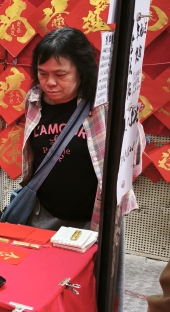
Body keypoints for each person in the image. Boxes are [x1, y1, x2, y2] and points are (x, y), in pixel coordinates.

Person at [21, 27, 144, 231]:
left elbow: (133, 161)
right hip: (42, 215)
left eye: (60, 74)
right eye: (42, 73)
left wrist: (128, 114)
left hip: (94, 220)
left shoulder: (105, 105)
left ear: (81, 70)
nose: (50, 83)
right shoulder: (34, 100)